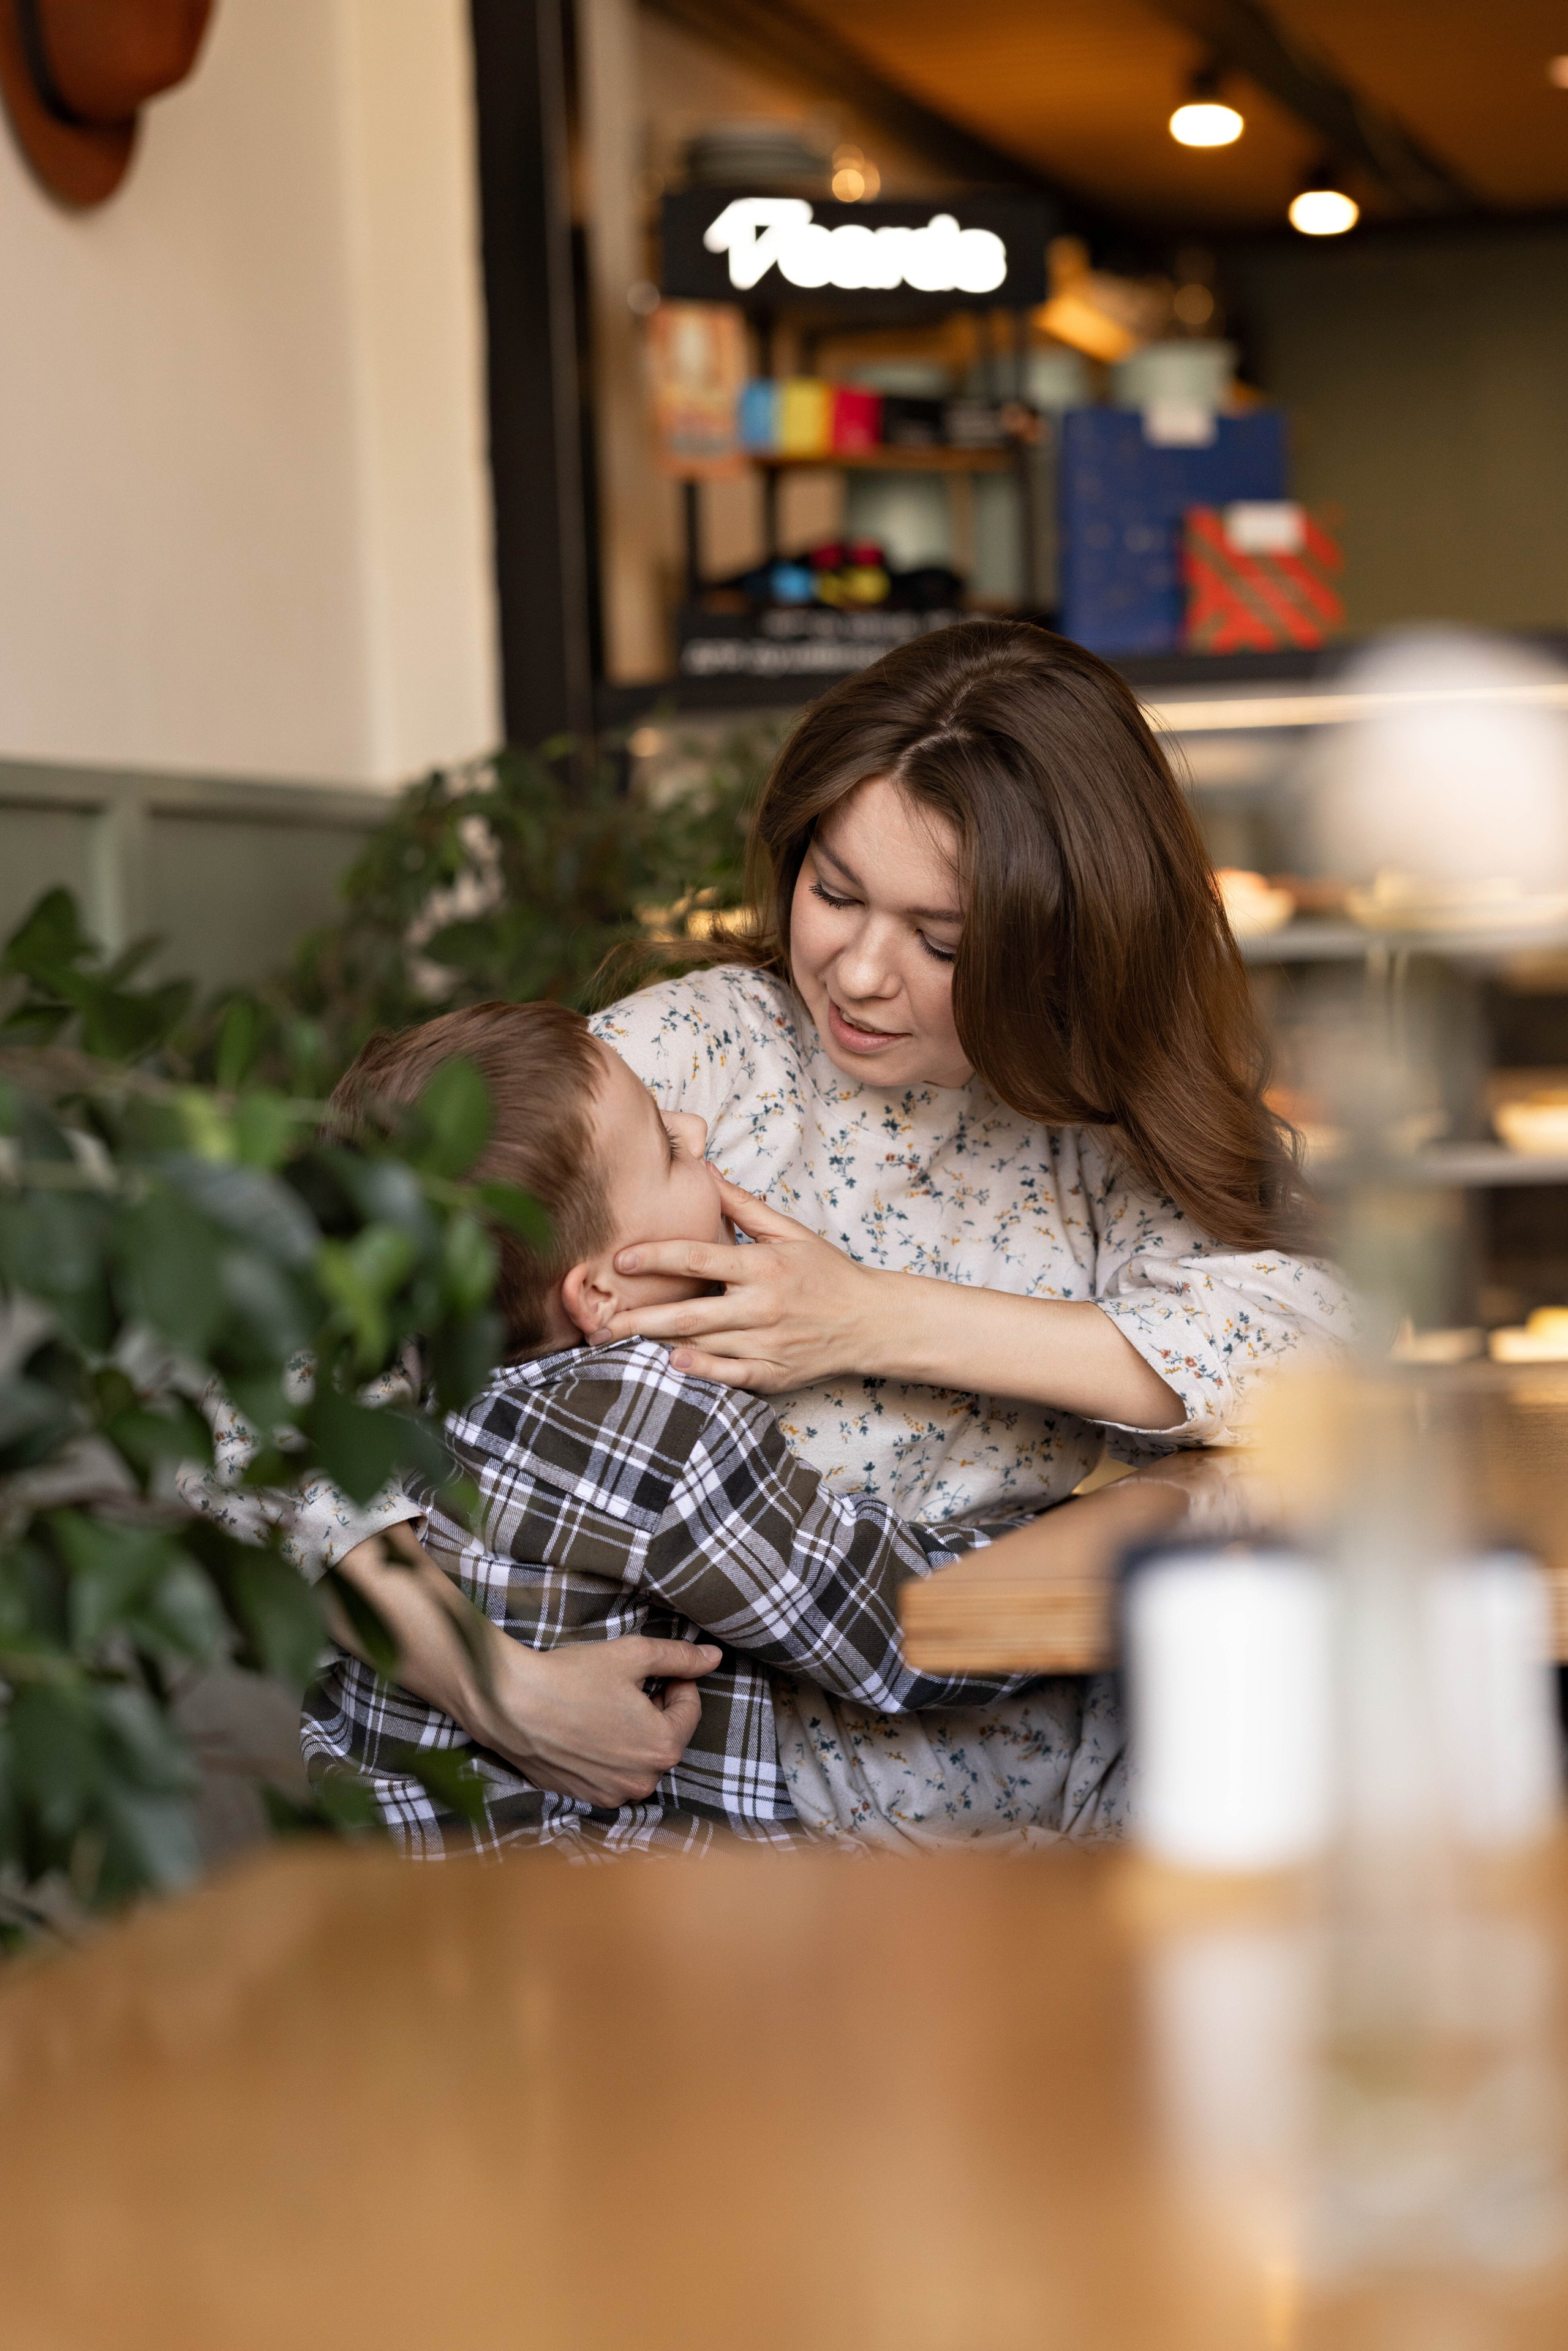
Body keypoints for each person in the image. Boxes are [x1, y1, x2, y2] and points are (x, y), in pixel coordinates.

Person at [585, 619, 1348, 1832]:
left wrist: (867, 1317)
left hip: (1074, 1787)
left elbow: (1317, 1351)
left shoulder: (1080, 1111)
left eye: (941, 940)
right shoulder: (699, 1056)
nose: (859, 971)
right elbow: (298, 1368)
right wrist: (492, 1678)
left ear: (1060, 949)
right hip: (748, 1809)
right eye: (832, 891)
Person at [302, 997, 1095, 1854]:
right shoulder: (658, 1428)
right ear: (600, 1294)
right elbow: (905, 1631)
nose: (695, 1128)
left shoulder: (418, 1353)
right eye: (669, 1148)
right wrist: (1129, 1526)